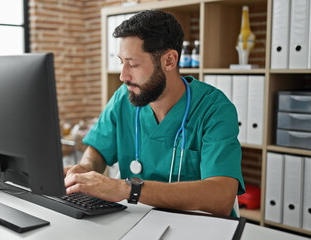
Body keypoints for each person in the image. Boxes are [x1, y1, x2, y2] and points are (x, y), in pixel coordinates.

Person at [64, 9, 245, 217]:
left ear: (169, 60)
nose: (123, 76)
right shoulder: (124, 97)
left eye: (132, 64)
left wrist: (127, 189)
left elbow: (222, 196)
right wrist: (86, 167)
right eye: (122, 62)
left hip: (201, 227)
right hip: (138, 221)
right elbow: (98, 149)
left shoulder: (214, 109)